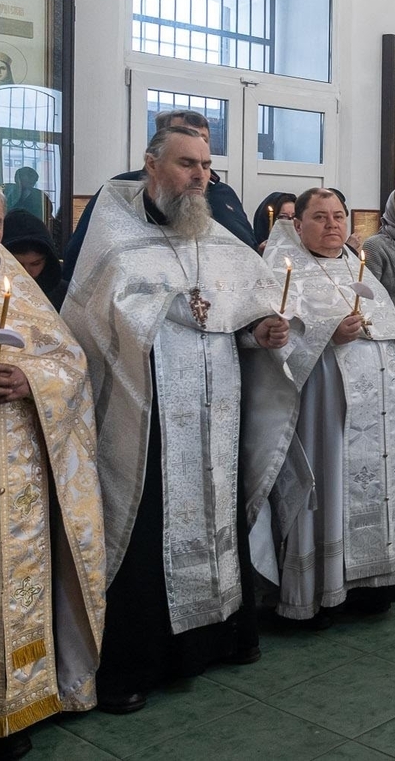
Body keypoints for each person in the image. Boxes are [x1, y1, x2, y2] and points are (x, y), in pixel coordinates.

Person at [62, 126, 297, 713]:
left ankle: (220, 638)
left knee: (218, 509)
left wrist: (259, 330)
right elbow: (92, 323)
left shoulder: (214, 234)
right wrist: (159, 309)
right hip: (148, 412)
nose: (199, 177)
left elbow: (245, 306)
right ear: (151, 164)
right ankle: (135, 663)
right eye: (187, 164)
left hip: (217, 412)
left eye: (206, 166)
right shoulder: (114, 232)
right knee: (147, 528)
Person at [0, 170, 105, 760]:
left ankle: (16, 707)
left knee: (15, 593)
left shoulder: (13, 281)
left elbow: (68, 361)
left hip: (17, 488)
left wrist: (31, 378)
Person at [257, 188, 395, 625]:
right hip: (323, 410)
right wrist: (327, 334)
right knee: (331, 488)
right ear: (298, 224)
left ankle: (374, 585)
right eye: (320, 217)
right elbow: (272, 346)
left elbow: (391, 329)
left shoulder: (357, 266)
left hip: (381, 412)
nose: (332, 225)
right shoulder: (281, 271)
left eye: (338, 216)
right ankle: (323, 590)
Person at [63, 109, 256, 276]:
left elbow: (246, 251)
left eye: (202, 139)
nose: (195, 144)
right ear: (153, 159)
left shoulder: (223, 193)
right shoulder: (121, 193)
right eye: (183, 135)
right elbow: (82, 264)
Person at [2, 207, 68, 309]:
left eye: (35, 264)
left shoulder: (65, 296)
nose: (26, 272)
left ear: (47, 261)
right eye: (18, 264)